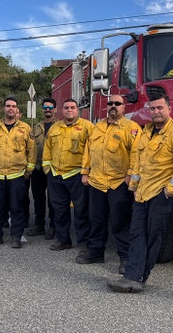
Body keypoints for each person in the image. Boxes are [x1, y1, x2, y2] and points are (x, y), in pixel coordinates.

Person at [107, 92, 173, 293]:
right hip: (141, 193)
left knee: (153, 237)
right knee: (137, 234)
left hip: (161, 194)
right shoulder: (145, 132)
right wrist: (134, 185)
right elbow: (137, 161)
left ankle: (139, 277)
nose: (155, 112)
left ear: (169, 109)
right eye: (152, 109)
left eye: (159, 108)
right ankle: (131, 276)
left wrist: (170, 190)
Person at [80, 95, 141, 273]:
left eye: (117, 104)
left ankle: (125, 257)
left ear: (124, 107)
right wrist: (85, 172)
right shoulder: (97, 127)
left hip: (118, 182)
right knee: (96, 219)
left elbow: (136, 154)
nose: (113, 106)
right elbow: (88, 151)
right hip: (97, 181)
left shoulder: (132, 128)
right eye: (110, 103)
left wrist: (130, 175)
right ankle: (96, 252)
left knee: (120, 222)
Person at [42, 99, 94, 251]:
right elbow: (47, 149)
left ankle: (83, 242)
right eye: (66, 107)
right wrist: (47, 168)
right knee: (59, 210)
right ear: (61, 111)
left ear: (78, 110)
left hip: (77, 174)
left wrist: (87, 172)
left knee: (81, 210)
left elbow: (92, 151)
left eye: (72, 107)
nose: (69, 110)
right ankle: (63, 240)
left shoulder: (87, 127)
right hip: (56, 175)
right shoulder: (54, 128)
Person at [0, 97, 36, 248]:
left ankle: (16, 237)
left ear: (17, 109)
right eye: (8, 106)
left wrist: (29, 170)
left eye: (13, 106)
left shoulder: (26, 128)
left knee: (17, 207)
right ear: (3, 108)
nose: (10, 108)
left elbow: (31, 151)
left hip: (17, 175)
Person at [27, 98, 57, 239]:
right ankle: (39, 225)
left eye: (50, 107)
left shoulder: (59, 126)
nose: (47, 109)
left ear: (55, 110)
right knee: (38, 198)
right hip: (38, 167)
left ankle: (53, 226)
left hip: (53, 168)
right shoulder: (36, 127)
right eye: (45, 107)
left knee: (53, 199)